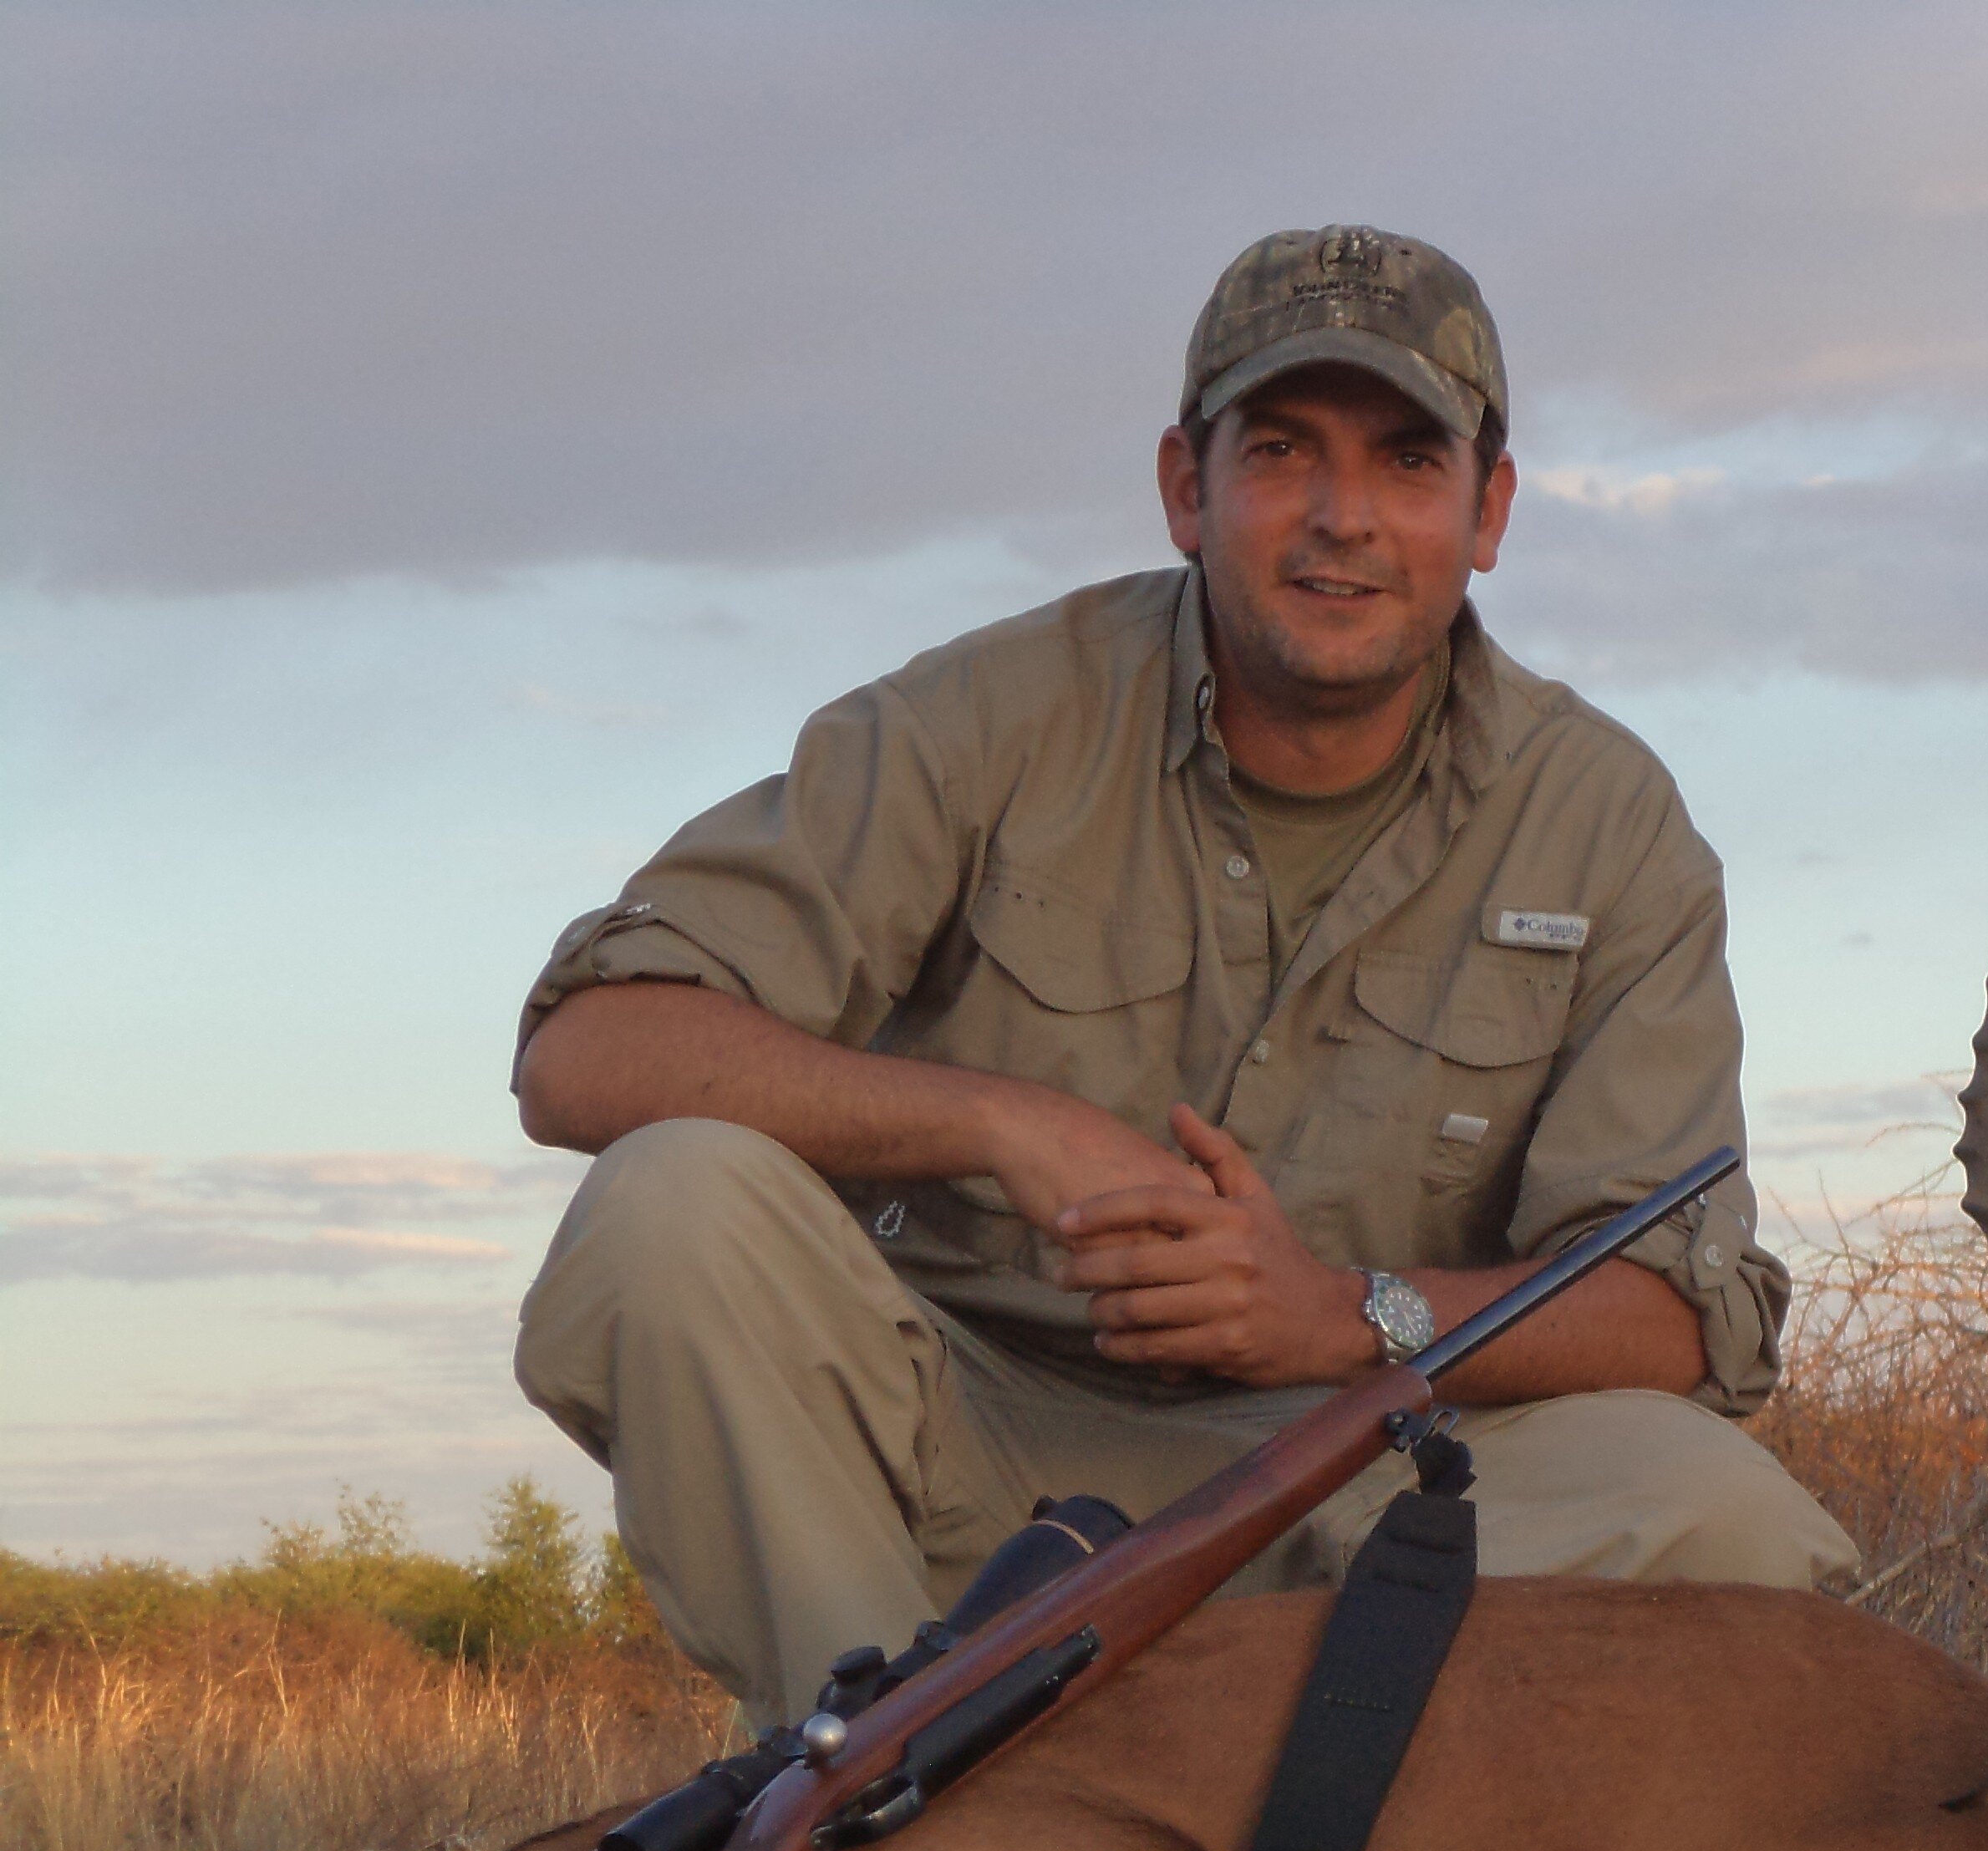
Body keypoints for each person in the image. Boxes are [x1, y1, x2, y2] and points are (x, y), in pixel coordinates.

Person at [509, 225, 1858, 1727]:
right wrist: (1004, 1125)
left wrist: (1344, 1315)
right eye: (1280, 451)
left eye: (1408, 462)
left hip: (1375, 1479)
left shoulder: (1609, 821)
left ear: (1488, 512)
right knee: (669, 1203)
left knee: (1724, 1523)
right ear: (1182, 489)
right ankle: (883, 1784)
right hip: (963, 1465)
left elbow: (1676, 1314)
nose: (1340, 518)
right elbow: (589, 1052)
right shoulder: (985, 714)